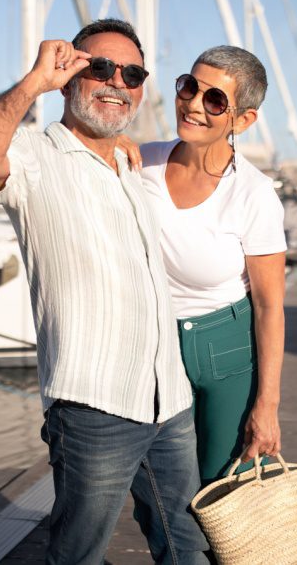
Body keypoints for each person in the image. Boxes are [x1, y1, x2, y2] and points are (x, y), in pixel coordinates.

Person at [0, 19, 207, 565]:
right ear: (69, 76)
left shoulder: (128, 163)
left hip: (169, 396)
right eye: (99, 68)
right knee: (79, 553)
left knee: (186, 544)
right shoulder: (35, 157)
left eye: (132, 72)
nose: (117, 80)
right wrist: (32, 84)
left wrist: (121, 144)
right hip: (95, 402)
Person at [123, 46, 287, 486]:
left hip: (227, 349)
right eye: (189, 86)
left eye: (214, 100)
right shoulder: (140, 162)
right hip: (155, 348)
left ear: (243, 120)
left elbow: (270, 307)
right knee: (163, 493)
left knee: (224, 487)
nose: (194, 103)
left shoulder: (253, 196)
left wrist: (267, 407)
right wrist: (110, 141)